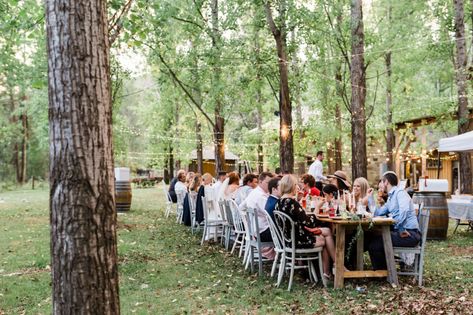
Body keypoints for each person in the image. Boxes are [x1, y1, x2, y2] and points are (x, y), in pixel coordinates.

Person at [275, 174, 337, 278]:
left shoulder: (279, 202)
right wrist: (317, 207)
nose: (298, 187)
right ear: (292, 186)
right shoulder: (292, 203)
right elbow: (309, 222)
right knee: (326, 236)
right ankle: (332, 268)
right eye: (296, 185)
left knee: (326, 231)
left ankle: (329, 270)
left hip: (288, 240)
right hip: (299, 241)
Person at [367, 171, 421, 270]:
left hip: (410, 234)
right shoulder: (391, 197)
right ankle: (384, 270)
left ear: (386, 182)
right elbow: (378, 213)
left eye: (381, 182)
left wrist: (401, 229)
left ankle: (383, 272)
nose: (380, 185)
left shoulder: (400, 193)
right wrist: (370, 198)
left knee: (375, 244)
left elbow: (404, 212)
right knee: (373, 237)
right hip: (402, 232)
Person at [239, 172, 274, 242]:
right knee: (288, 232)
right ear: (260, 182)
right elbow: (271, 214)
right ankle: (285, 252)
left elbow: (241, 206)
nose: (271, 186)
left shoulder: (254, 192)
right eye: (268, 183)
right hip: (262, 231)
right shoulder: (260, 196)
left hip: (254, 230)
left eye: (271, 183)